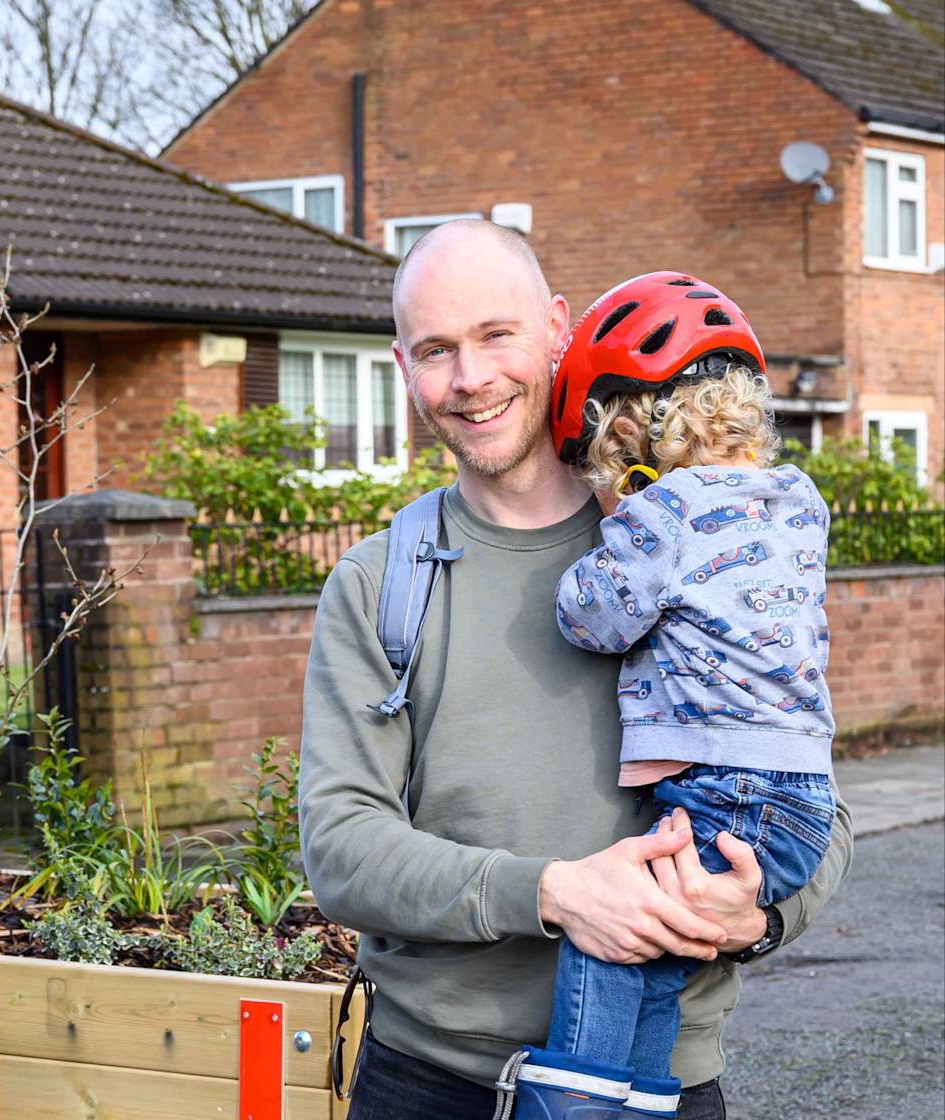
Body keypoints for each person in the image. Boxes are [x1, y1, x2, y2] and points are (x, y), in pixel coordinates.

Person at [298, 221, 852, 1120]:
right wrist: (555, 894)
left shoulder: (706, 539)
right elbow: (342, 849)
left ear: (559, 329)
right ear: (404, 367)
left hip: (661, 1089)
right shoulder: (378, 582)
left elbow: (815, 795)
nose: (471, 379)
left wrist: (759, 917)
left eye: (495, 335)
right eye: (437, 350)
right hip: (427, 1084)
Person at [495, 272, 837, 1119]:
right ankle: (640, 1107)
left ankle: (572, 1110)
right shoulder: (800, 501)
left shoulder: (663, 512)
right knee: (654, 968)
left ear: (630, 442)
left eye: (604, 465)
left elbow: (593, 618)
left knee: (607, 944)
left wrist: (618, 520)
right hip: (800, 800)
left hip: (731, 792)